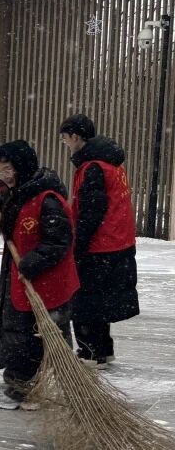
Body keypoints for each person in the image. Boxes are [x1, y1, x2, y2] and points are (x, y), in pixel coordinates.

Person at [0, 140, 79, 410]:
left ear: (22, 167)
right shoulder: (20, 193)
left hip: (45, 282)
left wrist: (31, 263)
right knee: (22, 333)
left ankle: (24, 389)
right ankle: (23, 383)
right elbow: (10, 220)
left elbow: (59, 241)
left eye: (7, 170)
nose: (3, 177)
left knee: (31, 336)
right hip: (25, 280)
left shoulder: (47, 199)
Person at [59, 114, 139, 365]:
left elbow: (91, 211)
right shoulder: (111, 163)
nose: (66, 144)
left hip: (100, 244)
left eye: (65, 138)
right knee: (99, 300)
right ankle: (103, 349)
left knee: (84, 300)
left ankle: (90, 352)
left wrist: (78, 245)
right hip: (118, 241)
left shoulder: (92, 167)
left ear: (75, 137)